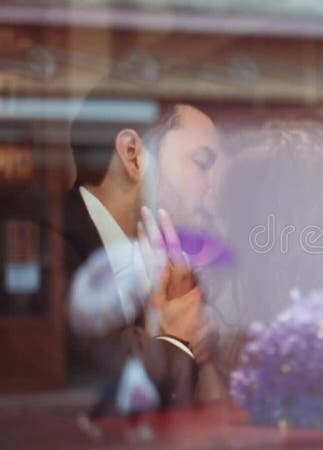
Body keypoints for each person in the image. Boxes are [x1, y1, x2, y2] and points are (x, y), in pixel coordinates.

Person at [62, 92, 220, 411]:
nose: (212, 184)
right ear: (132, 154)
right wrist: (169, 342)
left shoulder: (172, 262)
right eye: (202, 163)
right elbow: (59, 396)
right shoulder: (49, 247)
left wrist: (197, 351)